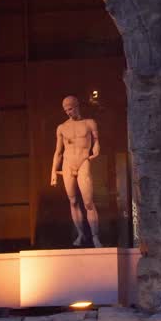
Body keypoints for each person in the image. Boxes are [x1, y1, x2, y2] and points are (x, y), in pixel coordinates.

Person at [50, 95, 102, 247]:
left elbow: (96, 141)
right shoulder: (62, 128)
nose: (68, 112)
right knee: (73, 201)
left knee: (88, 202)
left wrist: (96, 149)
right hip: (67, 164)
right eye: (66, 110)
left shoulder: (89, 123)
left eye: (70, 108)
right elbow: (58, 151)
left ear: (77, 105)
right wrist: (53, 172)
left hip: (83, 161)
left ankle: (95, 236)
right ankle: (80, 234)